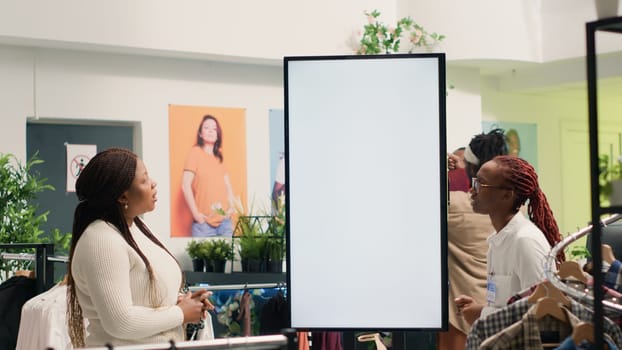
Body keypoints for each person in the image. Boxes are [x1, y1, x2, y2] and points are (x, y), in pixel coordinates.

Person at [66, 148, 214, 347]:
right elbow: (120, 322)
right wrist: (180, 313)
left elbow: (143, 297)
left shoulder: (138, 228)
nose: (153, 183)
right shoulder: (101, 240)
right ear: (122, 196)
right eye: (144, 180)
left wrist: (183, 302)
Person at [455, 155, 564, 326]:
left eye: (480, 184)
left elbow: (543, 312)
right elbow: (512, 305)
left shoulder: (525, 241)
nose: (472, 190)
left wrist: (482, 314)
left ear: (506, 195)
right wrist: (479, 308)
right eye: (474, 181)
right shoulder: (499, 240)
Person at [439, 130, 508, 350]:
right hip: (500, 314)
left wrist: (439, 164)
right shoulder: (513, 206)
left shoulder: (457, 206)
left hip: (462, 318)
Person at [182, 115, 236, 237]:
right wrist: (196, 215)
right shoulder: (194, 153)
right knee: (203, 256)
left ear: (218, 134)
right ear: (200, 134)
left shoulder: (219, 158)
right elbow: (185, 185)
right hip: (204, 225)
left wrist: (231, 208)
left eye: (214, 128)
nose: (211, 130)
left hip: (225, 223)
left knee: (229, 256)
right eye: (206, 127)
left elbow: (228, 186)